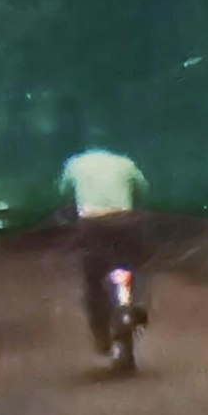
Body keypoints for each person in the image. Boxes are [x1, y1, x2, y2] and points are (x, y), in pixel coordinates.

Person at [58, 147, 149, 354]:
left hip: (92, 225)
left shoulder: (75, 163)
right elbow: (143, 190)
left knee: (94, 279)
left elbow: (63, 193)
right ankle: (135, 303)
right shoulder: (126, 162)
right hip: (125, 223)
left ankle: (101, 334)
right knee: (133, 267)